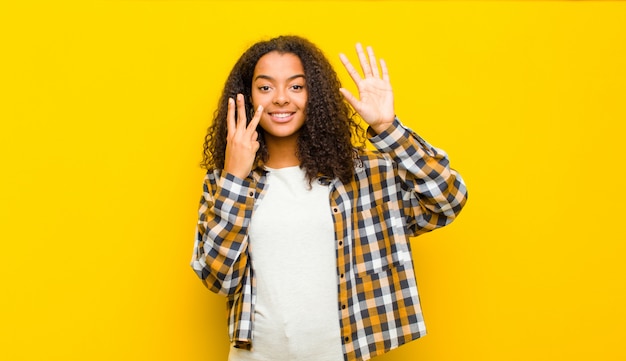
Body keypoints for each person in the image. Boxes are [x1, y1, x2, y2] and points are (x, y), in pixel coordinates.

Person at [191, 35, 468, 361]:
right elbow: (217, 276)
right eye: (265, 87)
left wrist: (387, 127)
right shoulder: (225, 182)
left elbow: (447, 199)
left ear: (315, 95)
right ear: (247, 98)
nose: (281, 99)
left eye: (296, 87)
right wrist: (234, 178)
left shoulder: (361, 175)